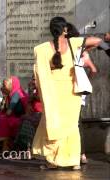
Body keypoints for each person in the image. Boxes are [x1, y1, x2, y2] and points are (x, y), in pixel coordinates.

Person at [32, 17, 102, 170]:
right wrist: (85, 48)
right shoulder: (74, 43)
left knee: (53, 124)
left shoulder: (42, 48)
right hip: (71, 93)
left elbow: (40, 75)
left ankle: (53, 161)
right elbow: (96, 40)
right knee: (71, 126)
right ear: (64, 30)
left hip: (53, 93)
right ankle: (73, 161)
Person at [66, 23, 98, 164]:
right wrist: (85, 81)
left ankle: (78, 153)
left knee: (72, 122)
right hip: (79, 90)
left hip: (69, 89)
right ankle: (81, 154)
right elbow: (94, 70)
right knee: (77, 123)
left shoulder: (67, 50)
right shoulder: (81, 51)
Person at [0, 76, 28, 152]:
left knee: (3, 120)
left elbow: (9, 112)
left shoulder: (16, 95)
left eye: (4, 85)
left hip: (21, 118)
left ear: (11, 85)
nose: (3, 87)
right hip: (17, 116)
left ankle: (5, 145)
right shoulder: (11, 94)